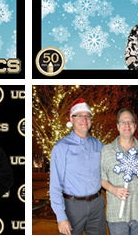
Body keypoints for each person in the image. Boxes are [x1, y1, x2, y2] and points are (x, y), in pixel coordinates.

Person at [50, 98, 106, 235]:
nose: (84, 119)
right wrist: (61, 217)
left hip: (97, 205)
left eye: (87, 116)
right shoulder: (61, 147)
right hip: (72, 206)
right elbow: (55, 185)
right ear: (72, 119)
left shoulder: (98, 145)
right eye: (79, 116)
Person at [101, 108, 138, 234]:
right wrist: (113, 189)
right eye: (123, 122)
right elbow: (101, 178)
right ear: (117, 126)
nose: (127, 125)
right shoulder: (107, 150)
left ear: (135, 125)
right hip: (117, 215)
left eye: (130, 122)